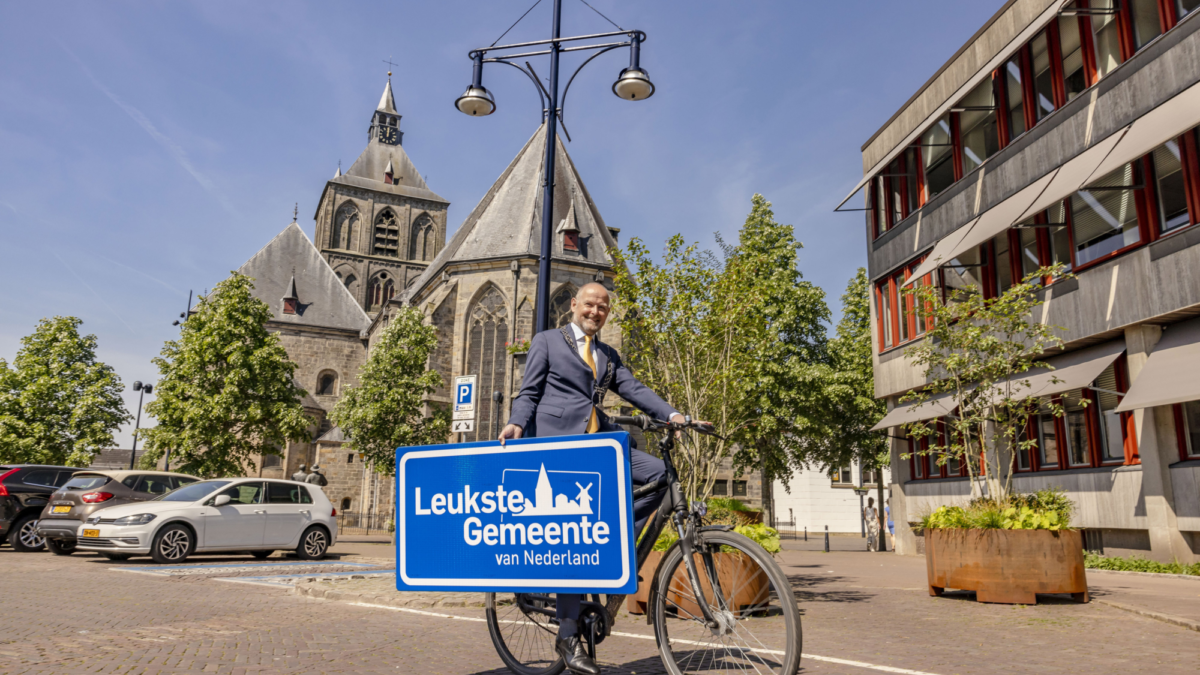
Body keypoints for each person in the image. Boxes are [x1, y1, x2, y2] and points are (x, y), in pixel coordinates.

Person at [499, 282, 701, 675]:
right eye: (590, 304)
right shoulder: (547, 341)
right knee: (575, 538)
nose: (596, 312)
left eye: (603, 307)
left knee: (660, 475)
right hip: (561, 447)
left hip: (603, 443)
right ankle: (568, 633)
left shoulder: (607, 355)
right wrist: (515, 423)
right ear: (574, 305)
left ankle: (616, 537)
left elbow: (634, 388)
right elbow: (529, 391)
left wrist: (673, 415)